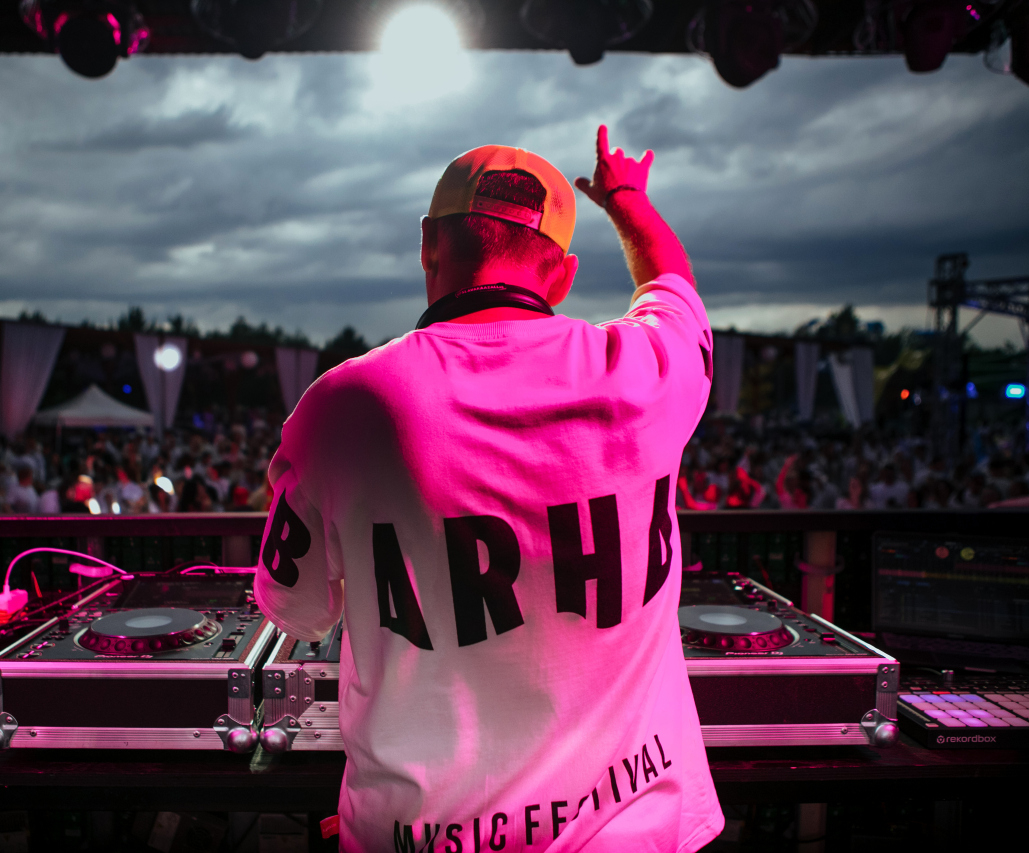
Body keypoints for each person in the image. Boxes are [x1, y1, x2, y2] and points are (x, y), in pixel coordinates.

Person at [255, 130, 722, 851]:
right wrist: (626, 197)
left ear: (427, 246)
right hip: (633, 831)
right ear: (561, 277)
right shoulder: (646, 369)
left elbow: (298, 611)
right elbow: (673, 286)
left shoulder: (341, 408)